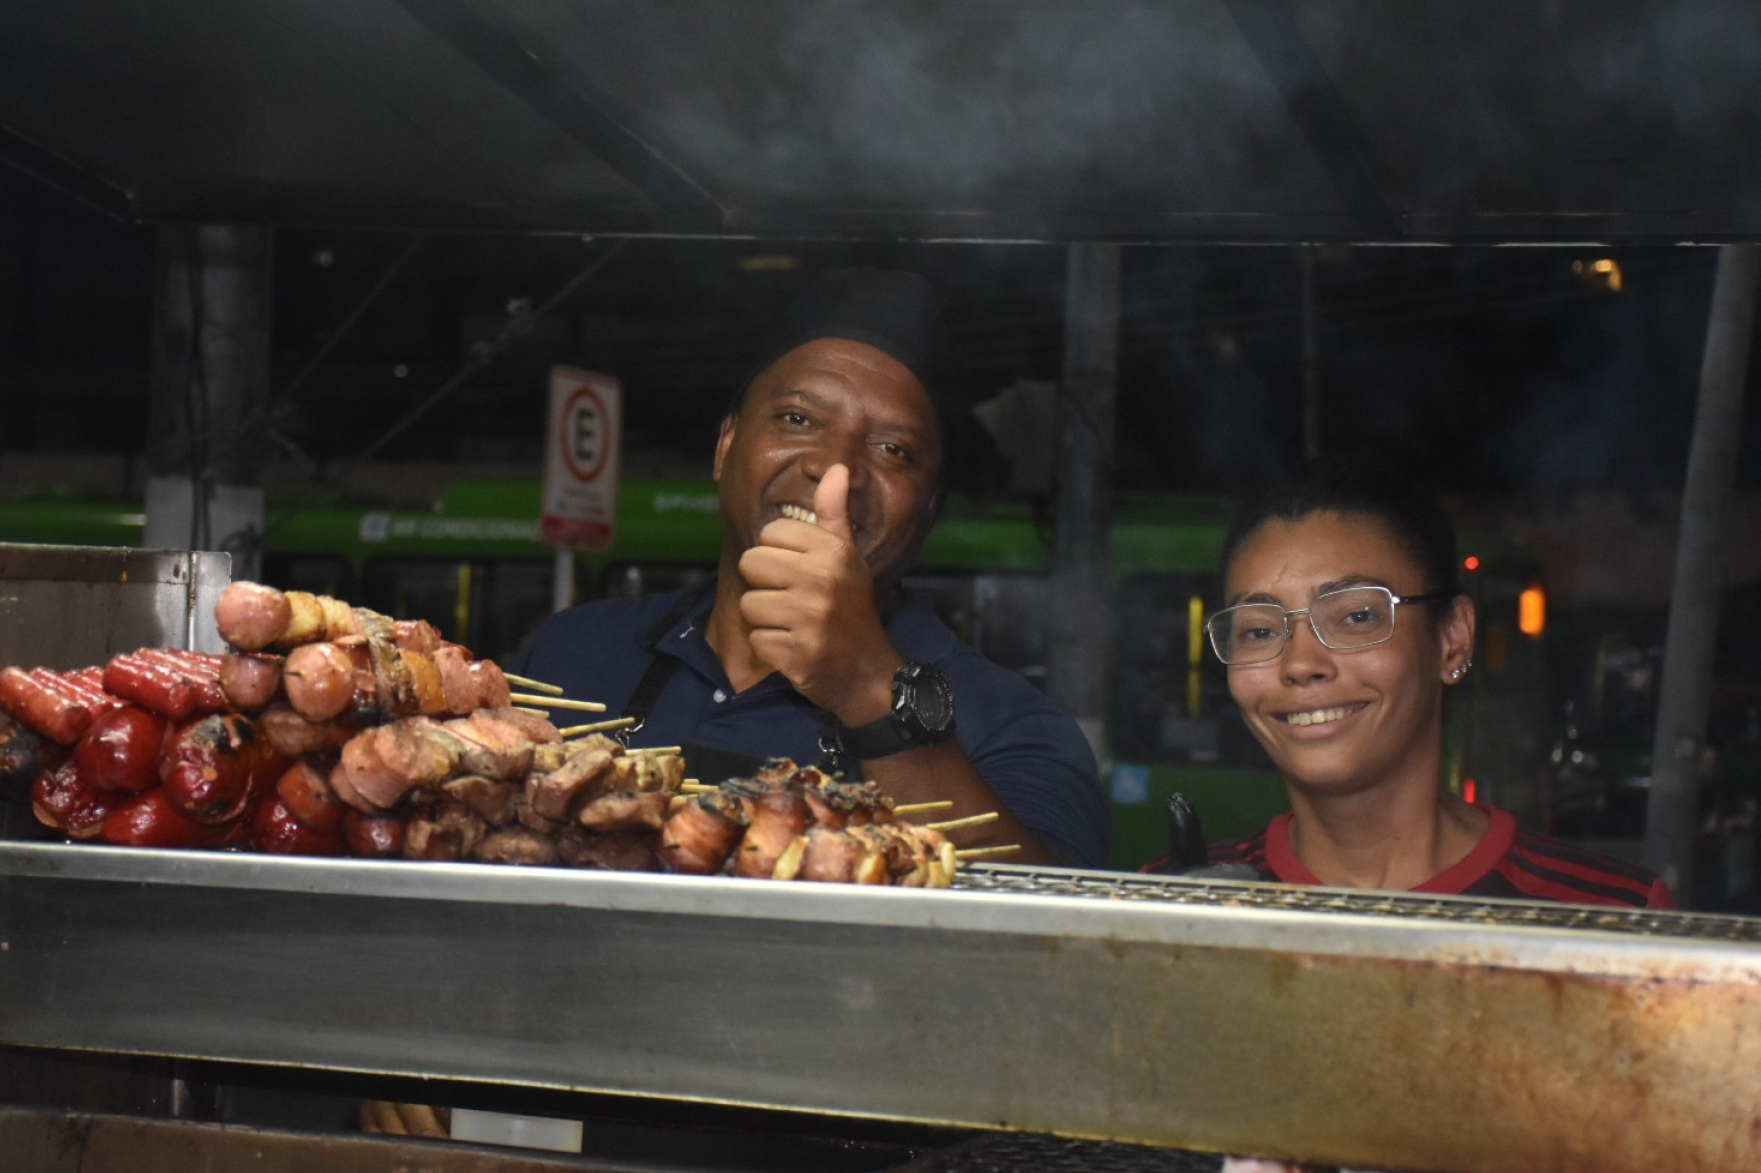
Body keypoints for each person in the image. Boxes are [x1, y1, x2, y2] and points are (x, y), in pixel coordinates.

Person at [513, 268, 1108, 868]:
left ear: (929, 510)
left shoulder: (1015, 726)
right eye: (798, 419)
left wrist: (869, 687)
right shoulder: (570, 654)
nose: (833, 471)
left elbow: (1034, 913)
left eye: (892, 449)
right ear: (725, 446)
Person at [1152, 458, 1671, 906]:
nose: (1300, 663)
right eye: (1260, 630)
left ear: (1452, 639)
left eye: (1356, 617)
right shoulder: (1175, 905)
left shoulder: (1607, 918)